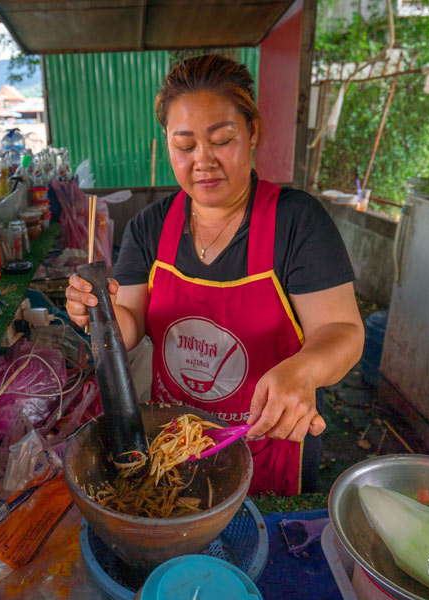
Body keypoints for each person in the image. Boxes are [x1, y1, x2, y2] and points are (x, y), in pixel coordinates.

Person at [65, 54, 364, 496]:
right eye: (184, 146)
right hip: (175, 444)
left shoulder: (297, 222)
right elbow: (128, 323)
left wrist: (303, 370)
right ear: (167, 143)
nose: (202, 160)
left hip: (266, 441)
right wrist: (97, 312)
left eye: (221, 140)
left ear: (253, 133)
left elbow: (343, 331)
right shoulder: (150, 227)